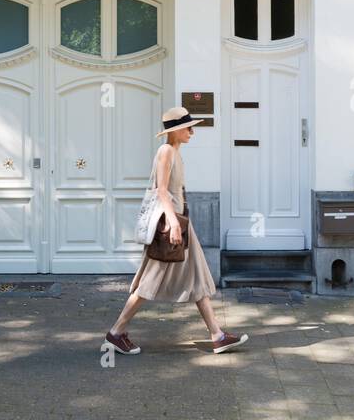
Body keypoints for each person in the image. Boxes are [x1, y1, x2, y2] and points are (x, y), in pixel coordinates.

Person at [103, 107, 249, 356]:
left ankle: (217, 335)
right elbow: (161, 191)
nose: (192, 131)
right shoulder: (166, 151)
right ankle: (116, 333)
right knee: (150, 280)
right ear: (176, 130)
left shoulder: (176, 153)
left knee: (197, 277)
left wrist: (180, 223)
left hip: (181, 224)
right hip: (170, 226)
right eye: (188, 127)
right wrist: (172, 223)